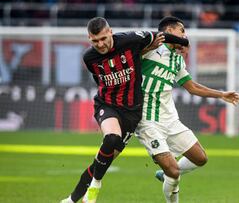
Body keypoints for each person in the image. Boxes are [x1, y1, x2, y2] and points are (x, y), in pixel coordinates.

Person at [61, 17, 189, 203]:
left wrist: (184, 43)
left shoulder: (131, 40)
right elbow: (101, 81)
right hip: (107, 105)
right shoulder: (89, 58)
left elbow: (161, 36)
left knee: (103, 161)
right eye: (94, 41)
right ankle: (95, 185)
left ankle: (71, 200)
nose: (100, 44)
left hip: (132, 112)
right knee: (111, 137)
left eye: (103, 38)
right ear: (89, 39)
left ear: (110, 31)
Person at [135, 16, 239, 203]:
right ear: (169, 31)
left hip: (170, 120)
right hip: (147, 121)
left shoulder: (177, 60)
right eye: (182, 30)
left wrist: (222, 94)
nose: (185, 35)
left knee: (200, 158)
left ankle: (165, 173)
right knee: (174, 172)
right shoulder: (148, 50)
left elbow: (192, 87)